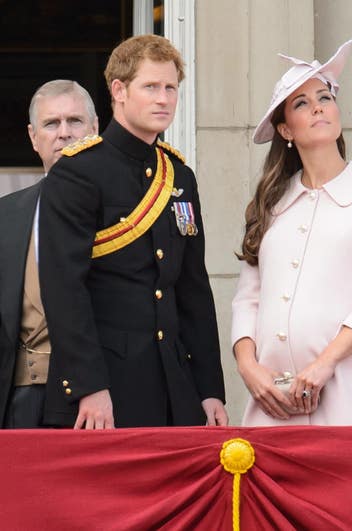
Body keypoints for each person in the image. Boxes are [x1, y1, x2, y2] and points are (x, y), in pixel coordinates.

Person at [38, 35, 228, 428]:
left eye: (171, 88)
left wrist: (209, 388)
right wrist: (89, 386)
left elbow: (192, 288)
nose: (163, 99)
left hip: (174, 388)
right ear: (119, 91)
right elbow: (64, 290)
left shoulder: (179, 176)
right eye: (151, 87)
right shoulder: (77, 173)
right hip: (104, 390)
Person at [232, 39, 352, 426]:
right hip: (273, 399)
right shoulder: (272, 202)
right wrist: (249, 368)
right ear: (285, 129)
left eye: (324, 97)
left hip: (347, 388)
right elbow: (248, 299)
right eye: (301, 103)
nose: (317, 107)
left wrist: (325, 363)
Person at [0, 80, 98, 428]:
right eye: (51, 124)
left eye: (75, 121)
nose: (64, 134)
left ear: (95, 129)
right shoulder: (5, 214)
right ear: (32, 136)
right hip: (18, 404)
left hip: (98, 402)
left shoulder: (129, 211)